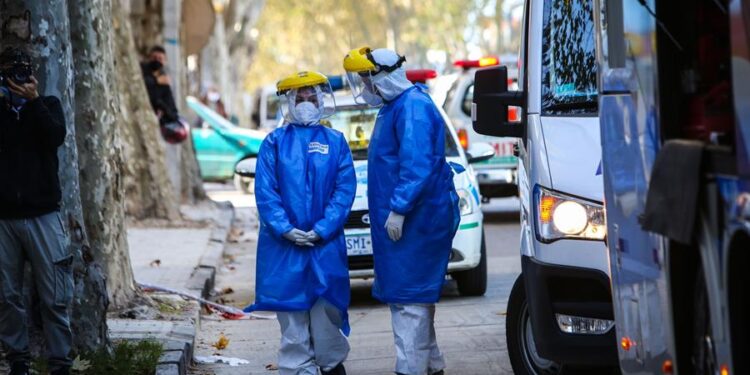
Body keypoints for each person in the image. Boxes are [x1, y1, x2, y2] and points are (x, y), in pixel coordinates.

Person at [343, 47, 460, 375]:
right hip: (411, 222)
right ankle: (431, 366)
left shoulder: (412, 109)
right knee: (413, 303)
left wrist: (399, 209)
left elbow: (417, 166)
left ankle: (411, 370)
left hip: (418, 222)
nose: (365, 87)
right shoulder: (397, 107)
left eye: (367, 79)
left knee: (410, 305)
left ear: (383, 76)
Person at [244, 71, 356, 375]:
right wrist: (285, 229)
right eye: (300, 98)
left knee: (326, 320)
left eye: (311, 97)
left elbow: (344, 190)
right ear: (288, 102)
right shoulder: (274, 143)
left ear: (321, 100)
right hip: (284, 250)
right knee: (293, 326)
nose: (306, 103)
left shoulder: (335, 141)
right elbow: (266, 193)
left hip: (325, 248)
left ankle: (332, 367)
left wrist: (322, 229)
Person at [0, 47, 72, 375]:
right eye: (12, 71)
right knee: (6, 295)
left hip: (44, 214)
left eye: (24, 70)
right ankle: (18, 361)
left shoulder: (49, 105)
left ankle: (60, 363)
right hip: (4, 218)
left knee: (55, 295)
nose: (19, 76)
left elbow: (55, 136)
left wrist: (33, 102)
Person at [141, 45, 179, 125]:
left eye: (160, 58)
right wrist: (156, 80)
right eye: (154, 58)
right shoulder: (142, 70)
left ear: (164, 61)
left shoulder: (164, 82)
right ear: (149, 58)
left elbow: (173, 112)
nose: (157, 61)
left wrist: (163, 108)